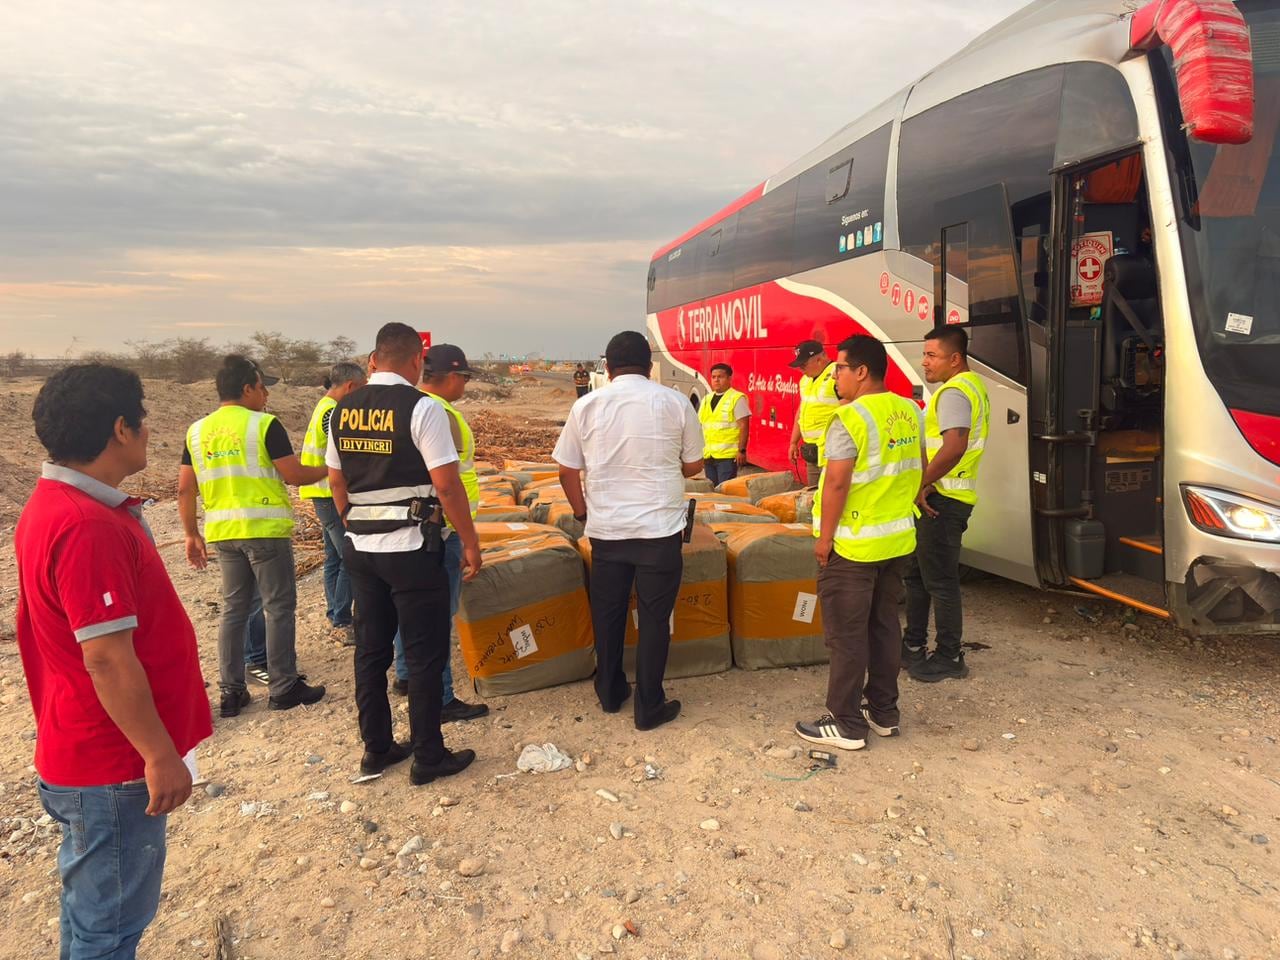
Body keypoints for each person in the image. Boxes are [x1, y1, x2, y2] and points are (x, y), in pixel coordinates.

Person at [16, 364, 212, 959]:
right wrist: (159, 755)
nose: (151, 432)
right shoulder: (85, 525)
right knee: (110, 930)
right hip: (113, 766)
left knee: (92, 918)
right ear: (120, 429)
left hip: (87, 754)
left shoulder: (60, 504)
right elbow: (105, 658)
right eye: (143, 420)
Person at [327, 322, 483, 786]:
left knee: (372, 652)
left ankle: (376, 749)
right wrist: (470, 541)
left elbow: (337, 482)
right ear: (417, 361)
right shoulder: (422, 409)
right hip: (413, 547)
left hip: (361, 548)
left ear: (373, 360)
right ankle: (428, 756)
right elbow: (446, 483)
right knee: (424, 654)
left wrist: (354, 523)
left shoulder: (341, 410)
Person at [554, 330, 704, 731]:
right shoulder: (674, 402)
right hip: (660, 531)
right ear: (650, 365)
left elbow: (567, 470)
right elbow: (694, 466)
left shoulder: (586, 406)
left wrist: (584, 514)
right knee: (655, 618)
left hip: (607, 531)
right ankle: (649, 705)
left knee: (609, 613)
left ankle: (610, 691)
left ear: (608, 366)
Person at [179, 355, 327, 718]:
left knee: (234, 610)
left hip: (223, 534)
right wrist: (334, 468)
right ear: (247, 388)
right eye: (262, 388)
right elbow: (293, 475)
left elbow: (185, 489)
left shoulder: (197, 432)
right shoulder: (264, 425)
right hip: (263, 531)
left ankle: (231, 692)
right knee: (278, 608)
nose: (265, 396)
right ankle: (283, 687)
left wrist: (190, 534)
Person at [795, 335, 924, 751]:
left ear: (862, 371)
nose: (835, 378)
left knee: (847, 635)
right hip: (896, 541)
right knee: (885, 626)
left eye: (841, 369)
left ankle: (847, 722)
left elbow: (835, 481)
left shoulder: (849, 418)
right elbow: (915, 468)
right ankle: (883, 712)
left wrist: (825, 538)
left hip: (852, 546)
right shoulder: (908, 410)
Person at [389, 344, 489, 722]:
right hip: (444, 528)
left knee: (410, 610)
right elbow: (447, 483)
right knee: (437, 616)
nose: (464, 385)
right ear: (450, 377)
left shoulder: (409, 407)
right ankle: (441, 696)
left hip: (420, 526)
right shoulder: (439, 413)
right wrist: (468, 537)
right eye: (463, 378)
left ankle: (405, 675)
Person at [904, 326, 990, 682]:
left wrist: (921, 483)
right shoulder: (966, 387)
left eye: (931, 355)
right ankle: (912, 645)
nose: (924, 362)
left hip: (942, 501)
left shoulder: (954, 392)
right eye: (924, 354)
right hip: (937, 497)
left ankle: (949, 656)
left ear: (955, 359)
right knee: (917, 576)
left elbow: (954, 447)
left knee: (939, 581)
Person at [299, 361, 368, 645]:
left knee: (333, 558)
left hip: (321, 493)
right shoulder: (333, 413)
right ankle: (341, 619)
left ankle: (335, 614)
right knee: (350, 560)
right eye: (361, 391)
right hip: (329, 494)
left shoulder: (323, 408)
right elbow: (342, 456)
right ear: (350, 387)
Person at [789, 339, 841, 486]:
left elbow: (850, 410)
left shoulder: (837, 375)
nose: (801, 369)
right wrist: (794, 442)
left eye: (803, 365)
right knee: (813, 496)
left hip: (833, 451)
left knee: (832, 496)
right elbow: (801, 411)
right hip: (812, 451)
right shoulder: (805, 380)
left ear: (819, 359)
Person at [698, 362, 750, 487]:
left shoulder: (737, 398)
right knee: (712, 491)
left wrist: (741, 450)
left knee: (724, 492)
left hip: (727, 457)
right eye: (713, 377)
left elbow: (744, 425)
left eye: (720, 377)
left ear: (729, 379)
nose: (716, 380)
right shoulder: (706, 399)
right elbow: (700, 426)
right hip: (709, 456)